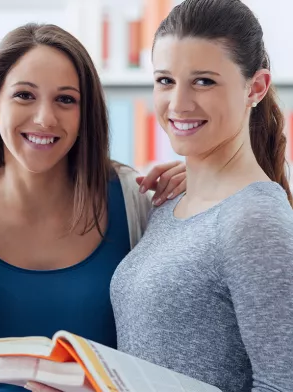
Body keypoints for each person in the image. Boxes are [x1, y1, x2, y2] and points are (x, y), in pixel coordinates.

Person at [0, 23, 187, 392]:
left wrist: (205, 186)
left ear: (84, 115)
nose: (45, 118)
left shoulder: (134, 199)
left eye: (65, 100)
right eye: (25, 95)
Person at [110, 0, 293, 391]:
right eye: (165, 81)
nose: (178, 104)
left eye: (204, 81)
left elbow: (283, 383)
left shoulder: (254, 221)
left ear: (255, 88)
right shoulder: (172, 202)